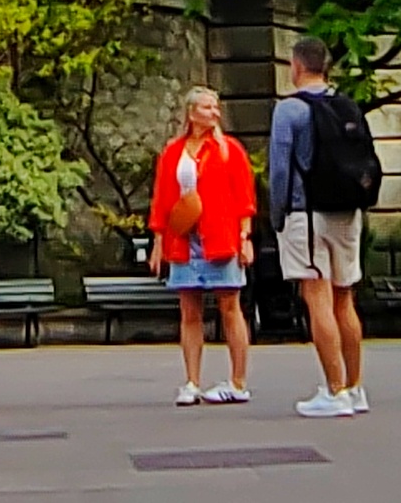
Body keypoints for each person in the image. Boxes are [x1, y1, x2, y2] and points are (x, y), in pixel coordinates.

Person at [271, 36, 369, 417]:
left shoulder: (290, 110)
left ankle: (334, 390)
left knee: (318, 299)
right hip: (347, 212)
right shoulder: (347, 105)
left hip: (305, 212)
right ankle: (356, 387)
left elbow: (280, 169)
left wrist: (277, 215)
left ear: (296, 65)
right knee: (345, 298)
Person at [149, 86, 255, 406]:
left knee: (229, 307)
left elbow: (244, 198)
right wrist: (159, 242)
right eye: (208, 108)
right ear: (191, 112)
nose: (214, 113)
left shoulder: (229, 150)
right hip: (184, 238)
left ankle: (238, 380)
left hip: (220, 237)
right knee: (189, 311)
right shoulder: (173, 152)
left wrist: (244, 237)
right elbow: (163, 200)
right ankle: (192, 381)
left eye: (217, 108)